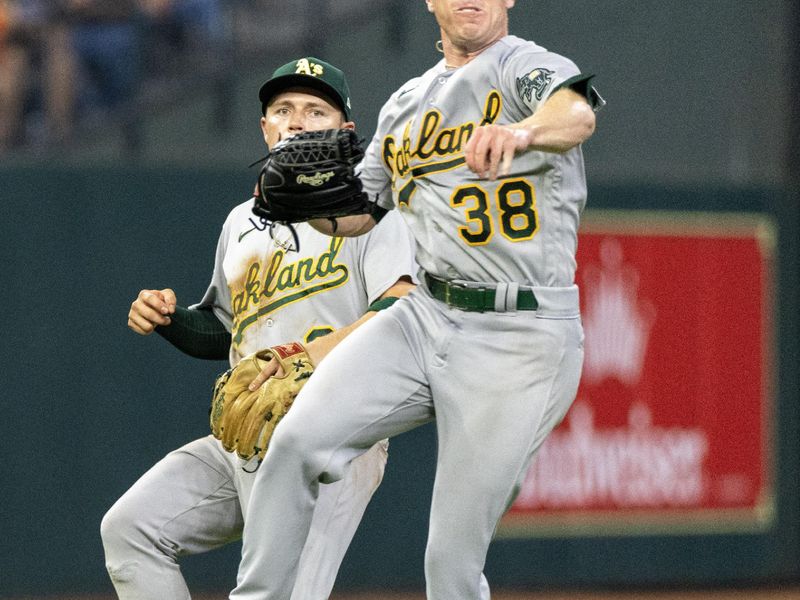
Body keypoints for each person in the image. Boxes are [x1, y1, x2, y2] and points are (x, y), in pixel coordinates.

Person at [230, 1, 604, 598]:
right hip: (425, 315)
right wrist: (309, 208)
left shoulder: (521, 67)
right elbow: (360, 213)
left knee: (449, 565)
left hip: (520, 332)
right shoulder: (407, 101)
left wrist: (521, 130)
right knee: (295, 441)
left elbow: (576, 113)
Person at [100, 56, 417, 599]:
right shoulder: (240, 221)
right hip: (245, 433)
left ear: (344, 132)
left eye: (315, 110)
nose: (296, 120)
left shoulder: (370, 210)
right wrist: (170, 320)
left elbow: (402, 300)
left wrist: (308, 356)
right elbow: (225, 328)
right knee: (132, 530)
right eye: (283, 109)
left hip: (333, 434)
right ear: (264, 128)